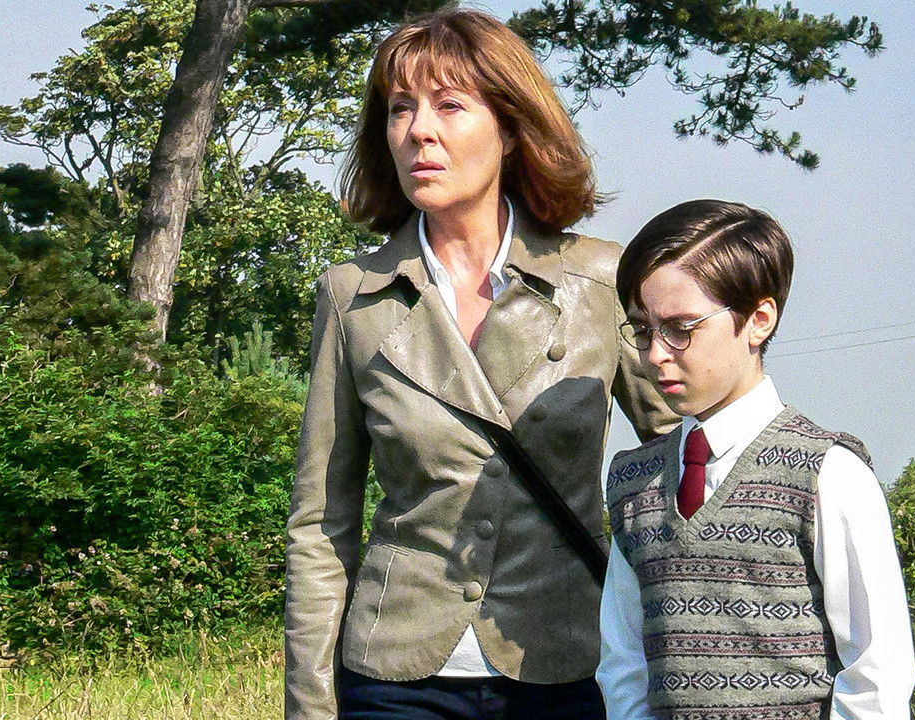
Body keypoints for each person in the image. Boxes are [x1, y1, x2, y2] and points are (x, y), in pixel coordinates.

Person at [283, 9, 676, 720]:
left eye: (449, 105)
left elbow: (684, 459)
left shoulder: (599, 282)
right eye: (400, 109)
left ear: (511, 127)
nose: (418, 131)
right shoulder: (353, 297)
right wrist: (311, 707)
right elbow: (320, 524)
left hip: (566, 665)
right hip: (394, 676)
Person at [597, 200, 915, 720]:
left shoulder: (827, 473)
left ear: (758, 321)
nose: (655, 354)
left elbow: (876, 676)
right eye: (642, 330)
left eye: (681, 328)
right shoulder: (634, 481)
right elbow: (624, 664)